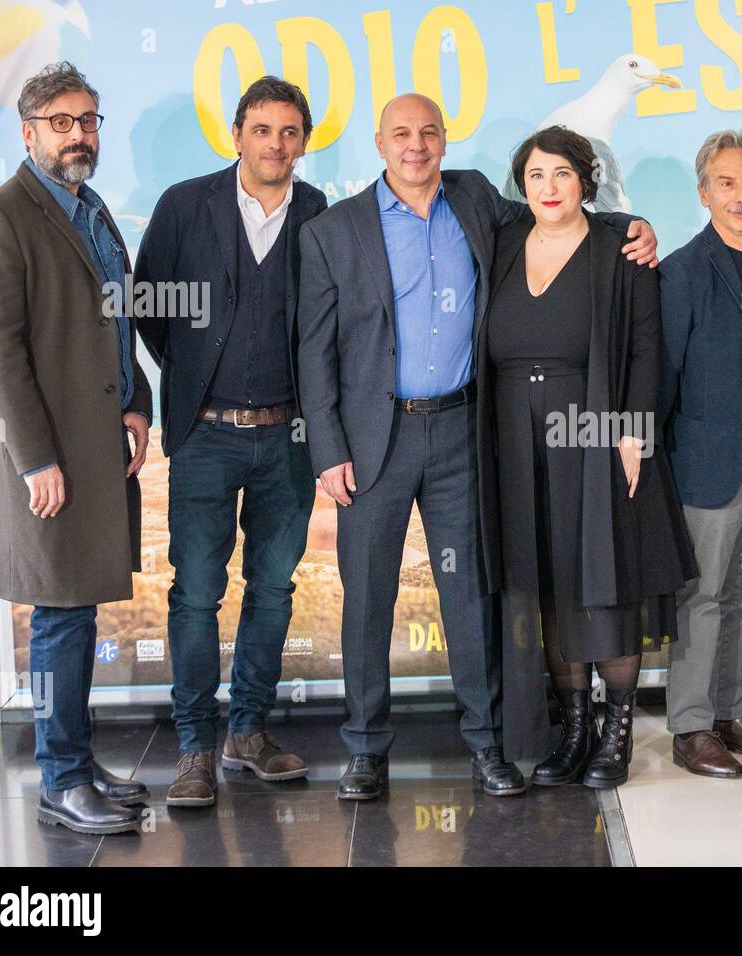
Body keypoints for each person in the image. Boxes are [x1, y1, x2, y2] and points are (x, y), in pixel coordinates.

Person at [297, 96, 659, 800]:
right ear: (379, 143)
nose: (416, 145)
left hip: (463, 432)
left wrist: (630, 226)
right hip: (374, 440)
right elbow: (313, 352)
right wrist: (326, 447)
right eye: (401, 134)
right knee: (366, 598)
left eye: (429, 132)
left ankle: (486, 745)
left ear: (443, 139)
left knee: (473, 596)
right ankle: (367, 751)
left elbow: (561, 215)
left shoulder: (475, 202)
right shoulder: (333, 231)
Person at [0, 62, 153, 834]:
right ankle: (60, 780)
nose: (80, 135)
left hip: (100, 447)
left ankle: (77, 763)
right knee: (60, 617)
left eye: (89, 120)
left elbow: (118, 318)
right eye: (63, 122)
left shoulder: (90, 207)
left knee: (76, 612)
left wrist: (136, 403)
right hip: (50, 460)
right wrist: (36, 460)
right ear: (29, 132)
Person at [475, 126, 696, 788]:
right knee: (546, 584)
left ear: (586, 182)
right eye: (536, 175)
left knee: (604, 579)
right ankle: (573, 731)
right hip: (514, 437)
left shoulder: (617, 249)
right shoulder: (502, 242)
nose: (548, 187)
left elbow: (645, 349)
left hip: (598, 434)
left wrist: (635, 431)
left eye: (562, 174)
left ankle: (616, 733)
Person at [135, 77, 328, 807]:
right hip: (206, 436)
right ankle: (195, 748)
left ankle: (249, 732)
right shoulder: (186, 205)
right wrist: (190, 380)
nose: (275, 143)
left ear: (302, 141)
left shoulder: (320, 214)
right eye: (261, 129)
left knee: (273, 588)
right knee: (196, 594)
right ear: (236, 134)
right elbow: (148, 307)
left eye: (288, 132)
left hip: (289, 439)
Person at [658, 130, 742, 778]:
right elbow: (661, 377)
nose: (741, 196)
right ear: (704, 191)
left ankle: (732, 711)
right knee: (703, 591)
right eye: (727, 183)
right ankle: (690, 726)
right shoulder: (683, 271)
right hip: (710, 452)